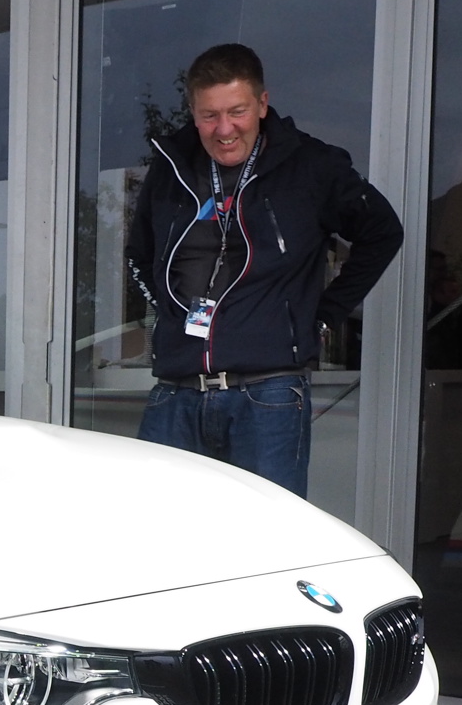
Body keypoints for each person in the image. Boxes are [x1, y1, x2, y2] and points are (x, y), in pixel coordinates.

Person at [125, 42, 403, 497]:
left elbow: (383, 232)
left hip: (267, 395)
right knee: (159, 530)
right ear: (193, 113)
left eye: (237, 111)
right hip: (175, 392)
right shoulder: (171, 167)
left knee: (267, 533)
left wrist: (323, 314)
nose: (224, 129)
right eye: (209, 115)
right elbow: (139, 254)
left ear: (262, 103)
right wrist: (171, 312)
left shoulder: (311, 165)